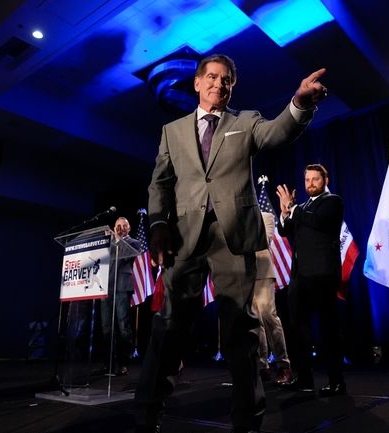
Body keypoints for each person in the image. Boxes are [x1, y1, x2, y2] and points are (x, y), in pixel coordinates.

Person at [135, 53, 328, 433]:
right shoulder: (171, 131)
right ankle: (147, 416)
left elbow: (278, 132)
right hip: (184, 241)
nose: (218, 84)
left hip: (235, 239)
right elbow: (159, 183)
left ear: (232, 86)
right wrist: (158, 222)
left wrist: (300, 103)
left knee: (242, 333)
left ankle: (248, 423)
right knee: (169, 328)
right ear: (196, 82)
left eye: (226, 80)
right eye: (211, 77)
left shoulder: (246, 121)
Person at [275, 164, 346, 397]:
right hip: (300, 277)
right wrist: (285, 212)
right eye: (307, 179)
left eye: (315, 179)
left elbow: (318, 221)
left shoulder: (332, 201)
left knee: (328, 329)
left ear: (325, 180)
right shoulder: (302, 207)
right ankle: (304, 379)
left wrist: (293, 208)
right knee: (297, 329)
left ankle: (336, 382)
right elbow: (285, 231)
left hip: (323, 275)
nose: (310, 184)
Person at [253, 212, 292, 384]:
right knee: (254, 321)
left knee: (268, 316)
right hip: (242, 275)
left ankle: (283, 364)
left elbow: (263, 239)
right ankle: (262, 366)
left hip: (262, 271)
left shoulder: (266, 216)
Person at [100, 217, 141, 376]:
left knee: (123, 326)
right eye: (118, 226)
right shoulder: (108, 243)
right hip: (106, 287)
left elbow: (125, 255)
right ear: (113, 227)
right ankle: (108, 364)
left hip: (123, 288)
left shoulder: (133, 243)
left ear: (129, 228)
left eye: (124, 226)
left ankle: (124, 363)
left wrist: (116, 239)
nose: (121, 228)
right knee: (106, 327)